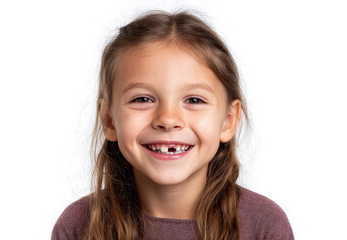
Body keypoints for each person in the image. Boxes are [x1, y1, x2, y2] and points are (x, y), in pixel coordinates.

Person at [52, 10, 294, 240]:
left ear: (228, 121)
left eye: (194, 100)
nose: (168, 119)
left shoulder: (265, 227)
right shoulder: (77, 226)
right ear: (108, 120)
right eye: (143, 99)